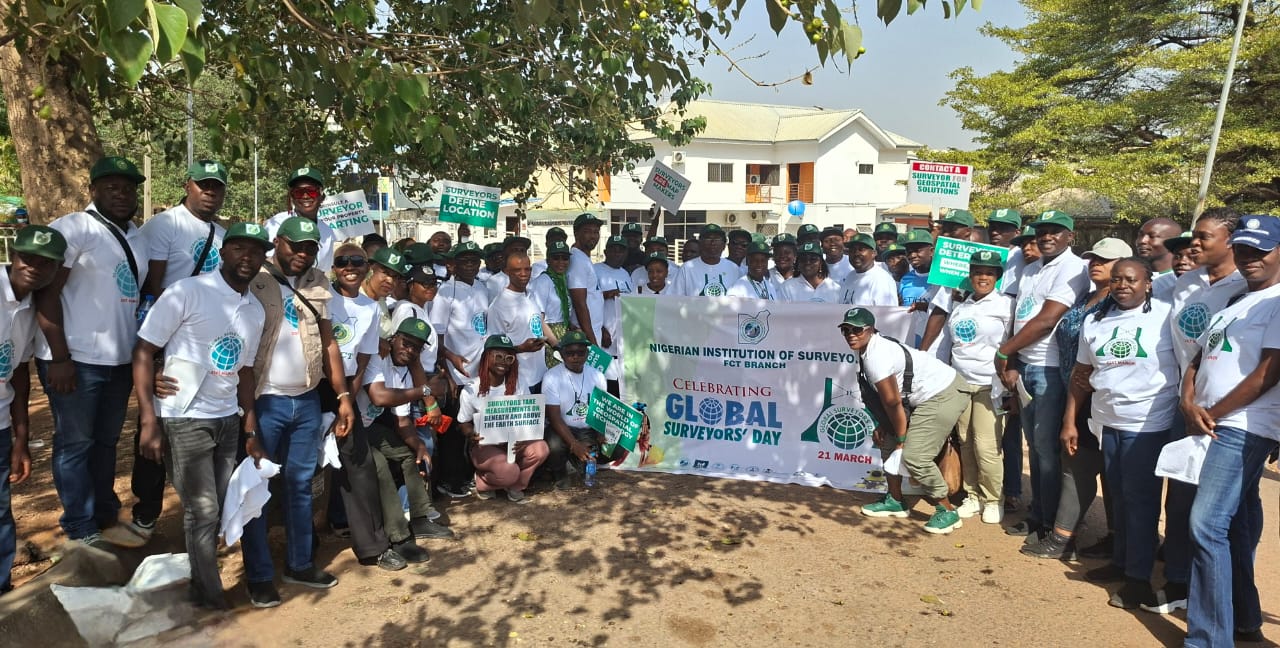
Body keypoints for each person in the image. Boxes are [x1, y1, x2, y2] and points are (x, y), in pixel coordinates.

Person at [132, 222, 270, 609]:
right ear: (223, 252)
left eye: (256, 251)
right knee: (203, 509)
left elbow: (245, 371)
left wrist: (250, 426)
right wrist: (148, 420)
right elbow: (144, 350)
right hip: (183, 416)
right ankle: (209, 596)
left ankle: (198, 577)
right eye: (239, 248)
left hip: (226, 419)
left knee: (216, 505)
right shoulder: (186, 292)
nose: (247, 257)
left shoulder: (255, 310)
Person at [107, 160, 230, 549]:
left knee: (198, 426)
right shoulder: (165, 226)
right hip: (169, 342)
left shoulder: (223, 234)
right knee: (156, 428)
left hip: (208, 346)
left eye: (216, 186)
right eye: (203, 184)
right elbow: (152, 289)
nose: (209, 192)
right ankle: (146, 513)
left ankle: (207, 518)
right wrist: (156, 358)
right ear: (188, 185)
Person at [36, 156, 150, 547]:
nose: (122, 195)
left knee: (105, 443)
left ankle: (105, 515)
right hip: (76, 359)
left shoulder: (137, 236)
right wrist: (59, 357)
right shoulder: (74, 227)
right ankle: (79, 525)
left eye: (129, 188)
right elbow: (47, 294)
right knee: (75, 444)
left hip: (119, 360)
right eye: (112, 187)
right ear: (93, 190)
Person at [243, 216, 354, 607]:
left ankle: (300, 563)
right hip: (265, 400)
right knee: (256, 488)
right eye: (295, 246)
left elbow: (329, 343)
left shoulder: (318, 281)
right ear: (278, 242)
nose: (302, 254)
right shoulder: (252, 277)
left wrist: (342, 396)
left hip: (306, 399)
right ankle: (258, 576)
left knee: (301, 486)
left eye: (309, 248)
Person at [1181, 215, 1280, 647]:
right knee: (1234, 523)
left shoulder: (1278, 300)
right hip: (1213, 421)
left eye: (1261, 250)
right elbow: (1199, 357)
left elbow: (1269, 372)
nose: (1249, 257)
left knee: (1206, 525)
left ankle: (1208, 639)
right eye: (1242, 249)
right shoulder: (1239, 299)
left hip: (1243, 425)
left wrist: (1212, 413)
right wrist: (1188, 400)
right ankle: (1243, 619)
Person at [1070, 258, 1179, 609]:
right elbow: (1081, 373)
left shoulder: (1167, 316)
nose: (1122, 285)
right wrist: (1070, 420)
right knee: (1117, 497)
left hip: (1147, 423)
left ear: (1148, 283)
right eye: (1117, 279)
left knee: (1140, 502)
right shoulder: (1095, 320)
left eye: (1131, 279)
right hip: (1107, 421)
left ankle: (1138, 580)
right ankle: (1121, 562)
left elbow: (1188, 363)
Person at [1153, 208, 1244, 611]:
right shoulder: (1185, 282)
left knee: (1229, 508)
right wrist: (1186, 399)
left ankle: (1230, 594)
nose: (1194, 243)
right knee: (1180, 494)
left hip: (1230, 411)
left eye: (1204, 236)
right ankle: (1177, 579)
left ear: (1230, 241)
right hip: (1185, 403)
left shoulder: (1248, 286)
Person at [1020, 238, 1130, 559]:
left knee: (1091, 468)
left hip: (1099, 397)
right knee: (1077, 464)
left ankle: (1072, 539)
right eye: (1093, 258)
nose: (1096, 264)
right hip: (1074, 392)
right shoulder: (1085, 297)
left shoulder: (1118, 306)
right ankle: (1069, 535)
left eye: (1105, 260)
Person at [994, 210, 1089, 541]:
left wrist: (1004, 351)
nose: (1046, 236)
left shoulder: (1074, 268)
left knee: (1047, 451)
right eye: (1042, 231)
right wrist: (1013, 359)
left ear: (1070, 237)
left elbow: (1048, 319)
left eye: (1055, 231)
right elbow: (1020, 317)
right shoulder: (1031, 268)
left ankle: (1050, 523)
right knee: (1034, 448)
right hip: (1025, 366)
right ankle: (1037, 515)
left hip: (1050, 369)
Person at [328, 243, 422, 570]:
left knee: (360, 467)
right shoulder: (323, 297)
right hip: (312, 388)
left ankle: (373, 547)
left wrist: (345, 401)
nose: (351, 267)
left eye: (358, 262)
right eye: (343, 262)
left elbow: (364, 360)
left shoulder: (371, 309)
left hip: (347, 393)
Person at [842, 308, 970, 534]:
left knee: (914, 456)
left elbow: (893, 403)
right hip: (919, 398)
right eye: (846, 330)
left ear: (871, 330)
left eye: (857, 330)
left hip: (943, 393)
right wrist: (886, 426)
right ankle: (895, 500)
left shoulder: (876, 357)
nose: (851, 335)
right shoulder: (867, 349)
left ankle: (947, 511)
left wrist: (902, 440)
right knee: (886, 439)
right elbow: (891, 400)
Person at [0, 226, 66, 595]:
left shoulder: (31, 309)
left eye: (46, 263)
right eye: (28, 258)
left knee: (0, 512)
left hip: (1, 424)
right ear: (13, 255)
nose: (35, 267)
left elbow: (20, 374)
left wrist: (21, 439)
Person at [361, 318, 453, 553]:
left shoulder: (405, 373)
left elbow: (402, 422)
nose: (410, 350)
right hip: (350, 427)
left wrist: (419, 446)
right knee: (380, 466)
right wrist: (425, 390)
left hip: (369, 427)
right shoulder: (378, 356)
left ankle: (420, 518)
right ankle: (399, 537)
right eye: (406, 343)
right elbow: (379, 397)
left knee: (411, 454)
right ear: (394, 339)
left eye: (416, 348)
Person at [943, 250, 1013, 525]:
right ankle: (972, 496)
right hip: (960, 383)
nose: (983, 277)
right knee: (966, 442)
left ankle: (993, 499)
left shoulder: (1006, 305)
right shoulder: (961, 307)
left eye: (989, 273)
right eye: (977, 272)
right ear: (970, 276)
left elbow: (1014, 342)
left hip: (989, 384)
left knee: (987, 445)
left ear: (997, 277)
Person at [458, 335, 550, 502]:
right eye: (498, 356)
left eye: (509, 358)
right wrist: (471, 434)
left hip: (515, 441)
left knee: (541, 449)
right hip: (486, 445)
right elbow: (463, 422)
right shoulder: (471, 388)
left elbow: (528, 416)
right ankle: (482, 482)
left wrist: (524, 438)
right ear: (486, 357)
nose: (504, 362)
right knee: (509, 471)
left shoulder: (519, 383)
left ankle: (515, 486)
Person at [431, 240, 489, 499]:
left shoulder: (482, 287)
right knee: (454, 430)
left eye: (475, 260)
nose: (470, 265)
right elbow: (437, 337)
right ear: (452, 264)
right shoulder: (445, 293)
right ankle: (450, 481)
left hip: (479, 373)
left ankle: (469, 474)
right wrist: (447, 372)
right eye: (464, 261)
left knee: (474, 427)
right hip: (456, 374)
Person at [542, 330, 609, 488]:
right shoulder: (551, 377)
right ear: (562, 354)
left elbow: (600, 409)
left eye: (580, 352)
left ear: (587, 354)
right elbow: (554, 418)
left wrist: (601, 432)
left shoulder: (598, 376)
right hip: (563, 429)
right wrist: (574, 444)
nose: (575, 357)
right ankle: (560, 473)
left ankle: (578, 464)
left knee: (616, 445)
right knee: (554, 445)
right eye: (570, 353)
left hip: (587, 429)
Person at [487, 252, 552, 392]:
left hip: (541, 375)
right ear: (507, 272)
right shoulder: (499, 306)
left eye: (527, 269)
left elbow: (537, 323)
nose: (523, 274)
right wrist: (521, 348)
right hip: (519, 381)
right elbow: (493, 350)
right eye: (517, 270)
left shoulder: (531, 295)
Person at [264, 166, 337, 272]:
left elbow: (324, 270)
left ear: (322, 197)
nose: (305, 196)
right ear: (292, 197)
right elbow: (268, 265)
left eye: (311, 191)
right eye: (299, 192)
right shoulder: (276, 224)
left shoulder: (327, 231)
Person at [531, 241, 573, 369]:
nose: (561, 262)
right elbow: (538, 319)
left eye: (565, 258)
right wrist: (556, 344)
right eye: (556, 258)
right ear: (548, 260)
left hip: (563, 333)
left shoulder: (562, 280)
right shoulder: (543, 281)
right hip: (550, 338)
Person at [567, 213, 606, 345]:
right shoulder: (577, 260)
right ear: (576, 234)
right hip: (585, 337)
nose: (593, 236)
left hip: (592, 331)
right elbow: (580, 304)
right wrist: (592, 341)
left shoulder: (583, 258)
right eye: (587, 231)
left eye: (596, 232)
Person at [594, 236, 632, 365]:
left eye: (621, 251)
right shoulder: (595, 270)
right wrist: (600, 329)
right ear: (605, 252)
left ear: (626, 254)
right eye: (613, 250)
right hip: (604, 337)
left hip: (622, 341)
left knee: (618, 375)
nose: (617, 254)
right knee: (602, 374)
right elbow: (587, 301)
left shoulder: (625, 274)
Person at [674, 224, 740, 297]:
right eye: (708, 238)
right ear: (700, 244)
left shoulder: (733, 268)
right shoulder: (686, 268)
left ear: (724, 245)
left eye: (717, 239)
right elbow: (674, 298)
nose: (712, 243)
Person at [839, 234, 898, 306]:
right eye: (852, 250)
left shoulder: (882, 280)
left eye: (861, 249)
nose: (856, 253)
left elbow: (887, 312)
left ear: (874, 253)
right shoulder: (850, 276)